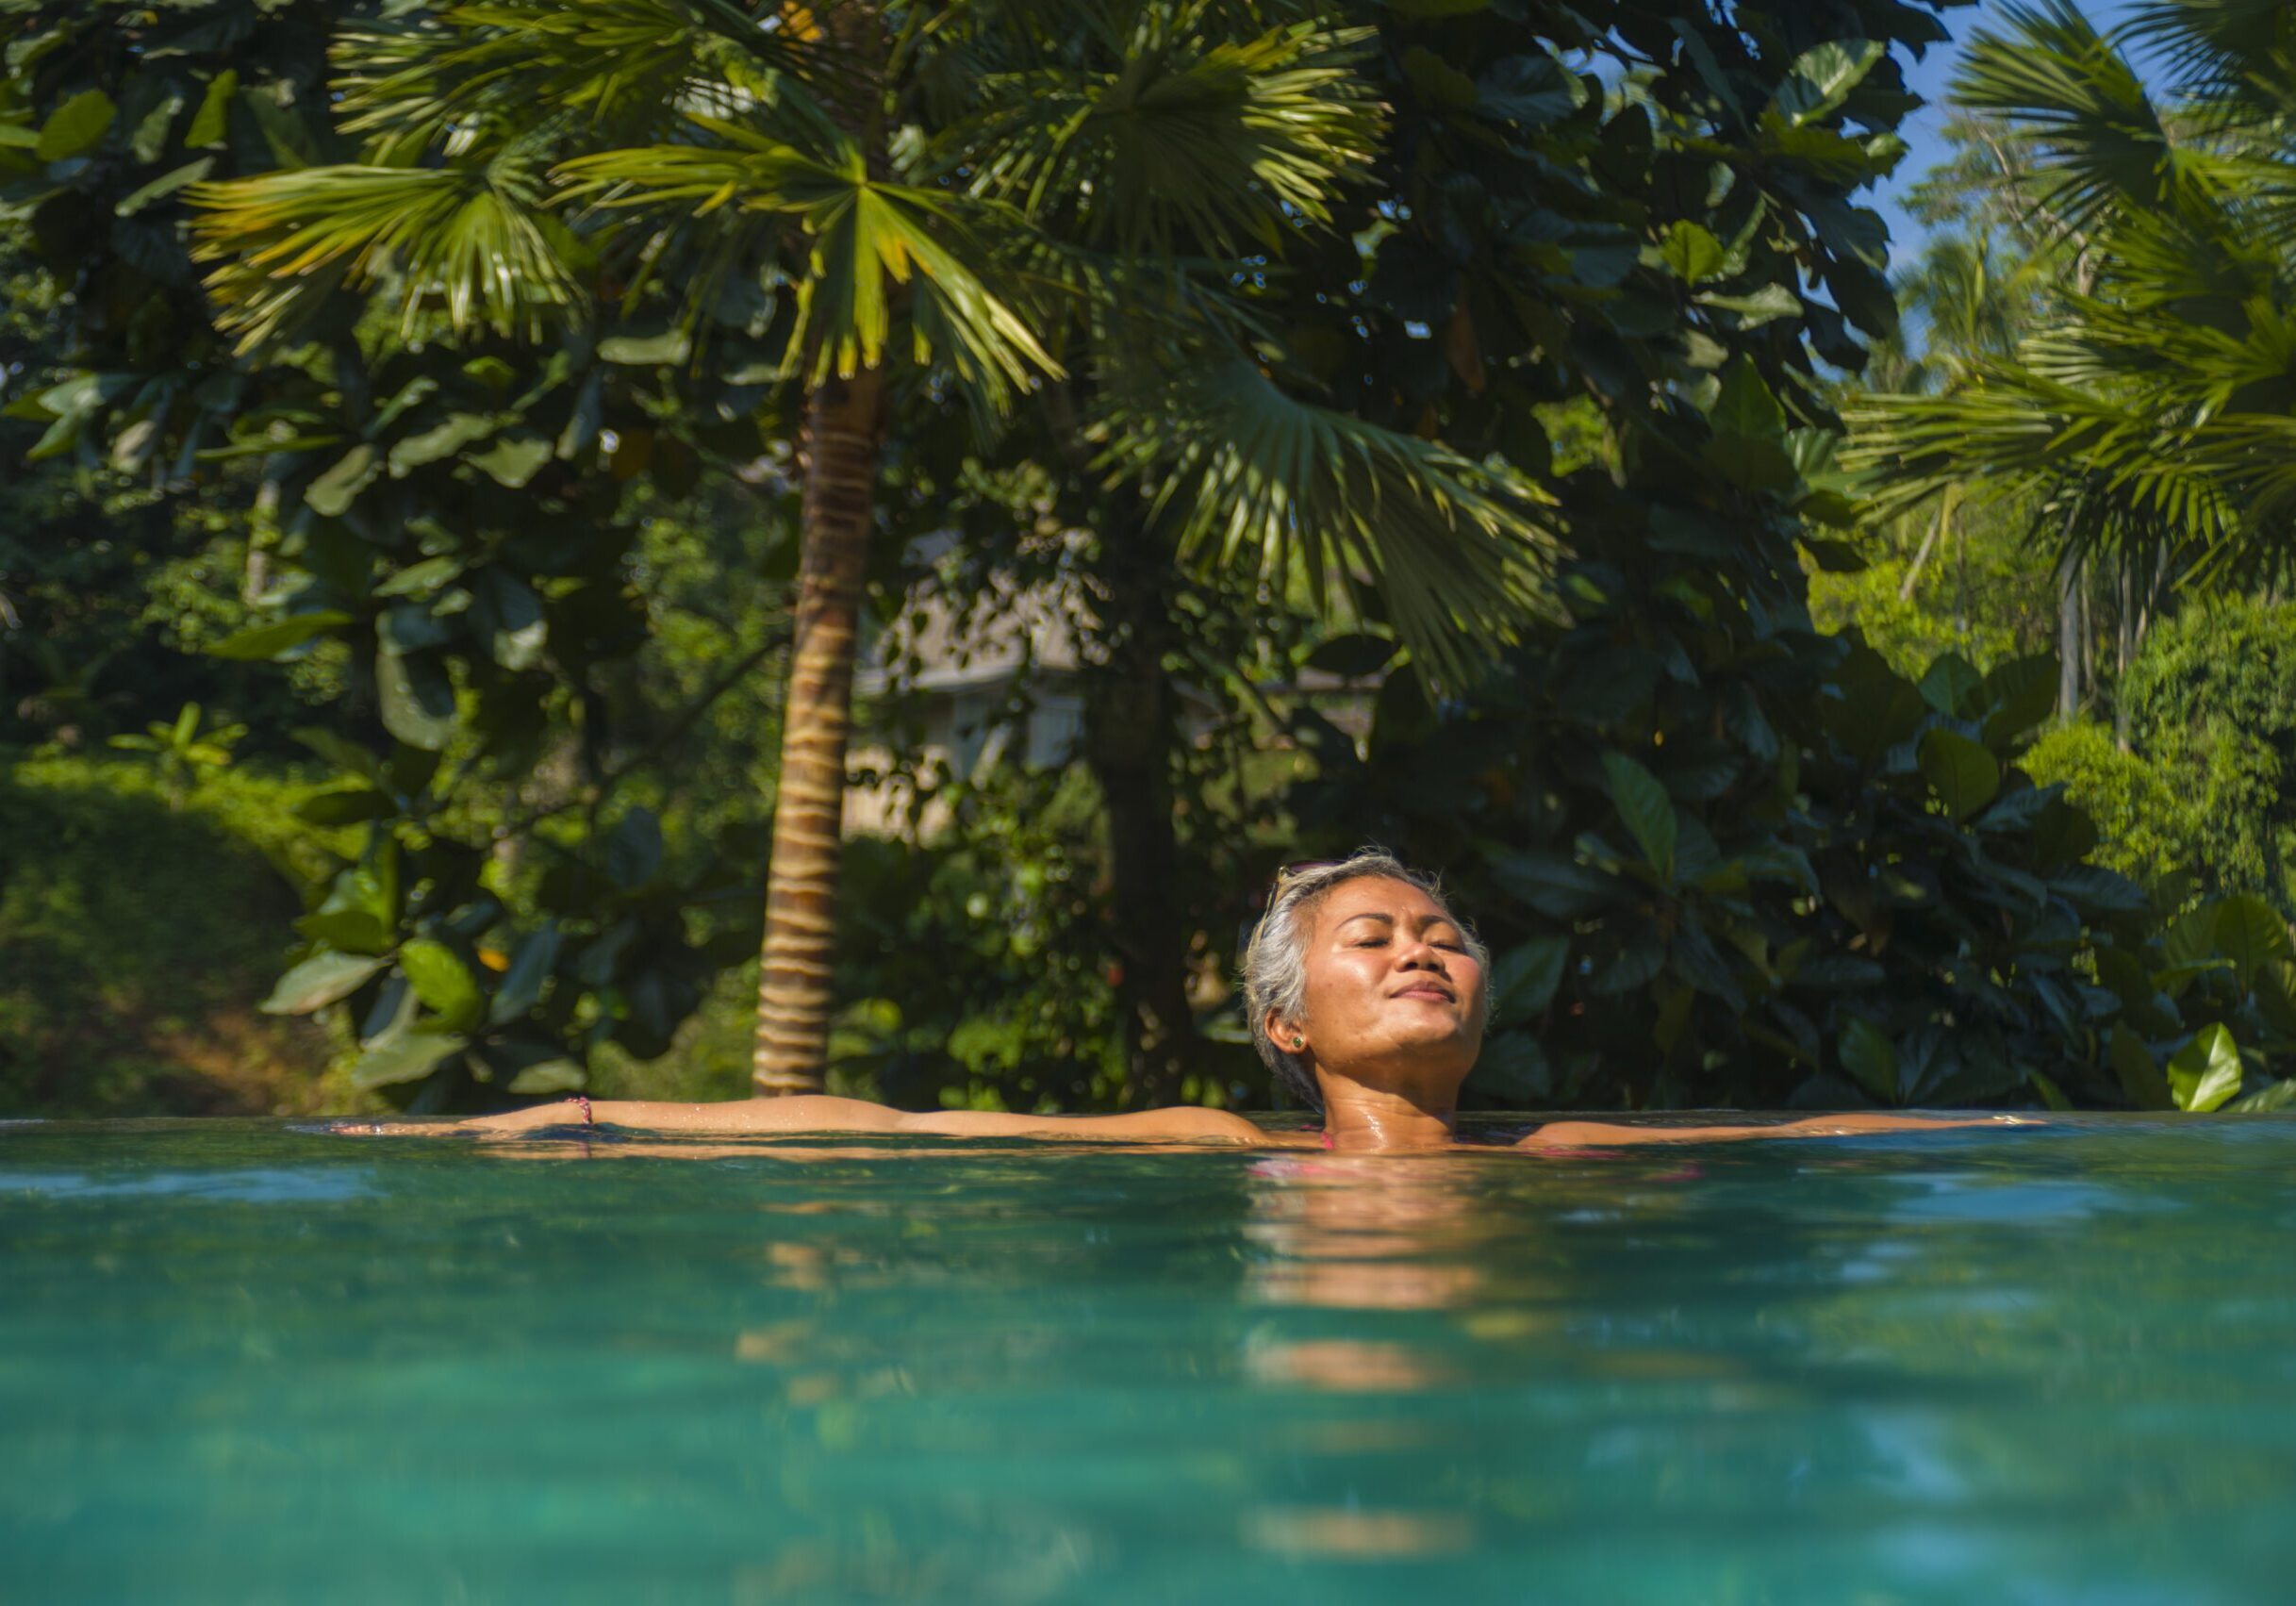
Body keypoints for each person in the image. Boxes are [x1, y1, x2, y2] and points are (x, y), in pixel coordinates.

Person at [350, 849, 2025, 1153]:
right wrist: (587, 1116)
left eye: (1443, 931)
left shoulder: (1554, 1147)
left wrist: (2032, 1126)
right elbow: (893, 1125)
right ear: (1287, 1023)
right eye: (1374, 938)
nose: (1426, 949)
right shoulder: (1221, 1138)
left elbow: (1818, 1131)